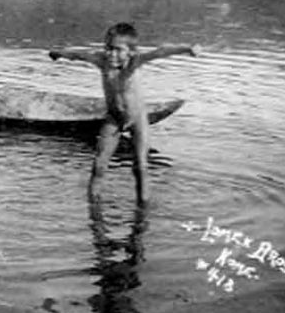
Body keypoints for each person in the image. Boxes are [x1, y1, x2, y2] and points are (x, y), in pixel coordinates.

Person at [49, 23, 200, 202]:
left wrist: (187, 49)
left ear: (131, 51)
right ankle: (94, 206)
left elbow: (161, 51)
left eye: (118, 50)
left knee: (140, 167)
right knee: (99, 165)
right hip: (114, 119)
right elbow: (78, 55)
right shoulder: (102, 61)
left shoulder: (135, 62)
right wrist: (59, 53)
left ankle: (143, 207)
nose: (111, 54)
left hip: (137, 119)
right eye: (108, 48)